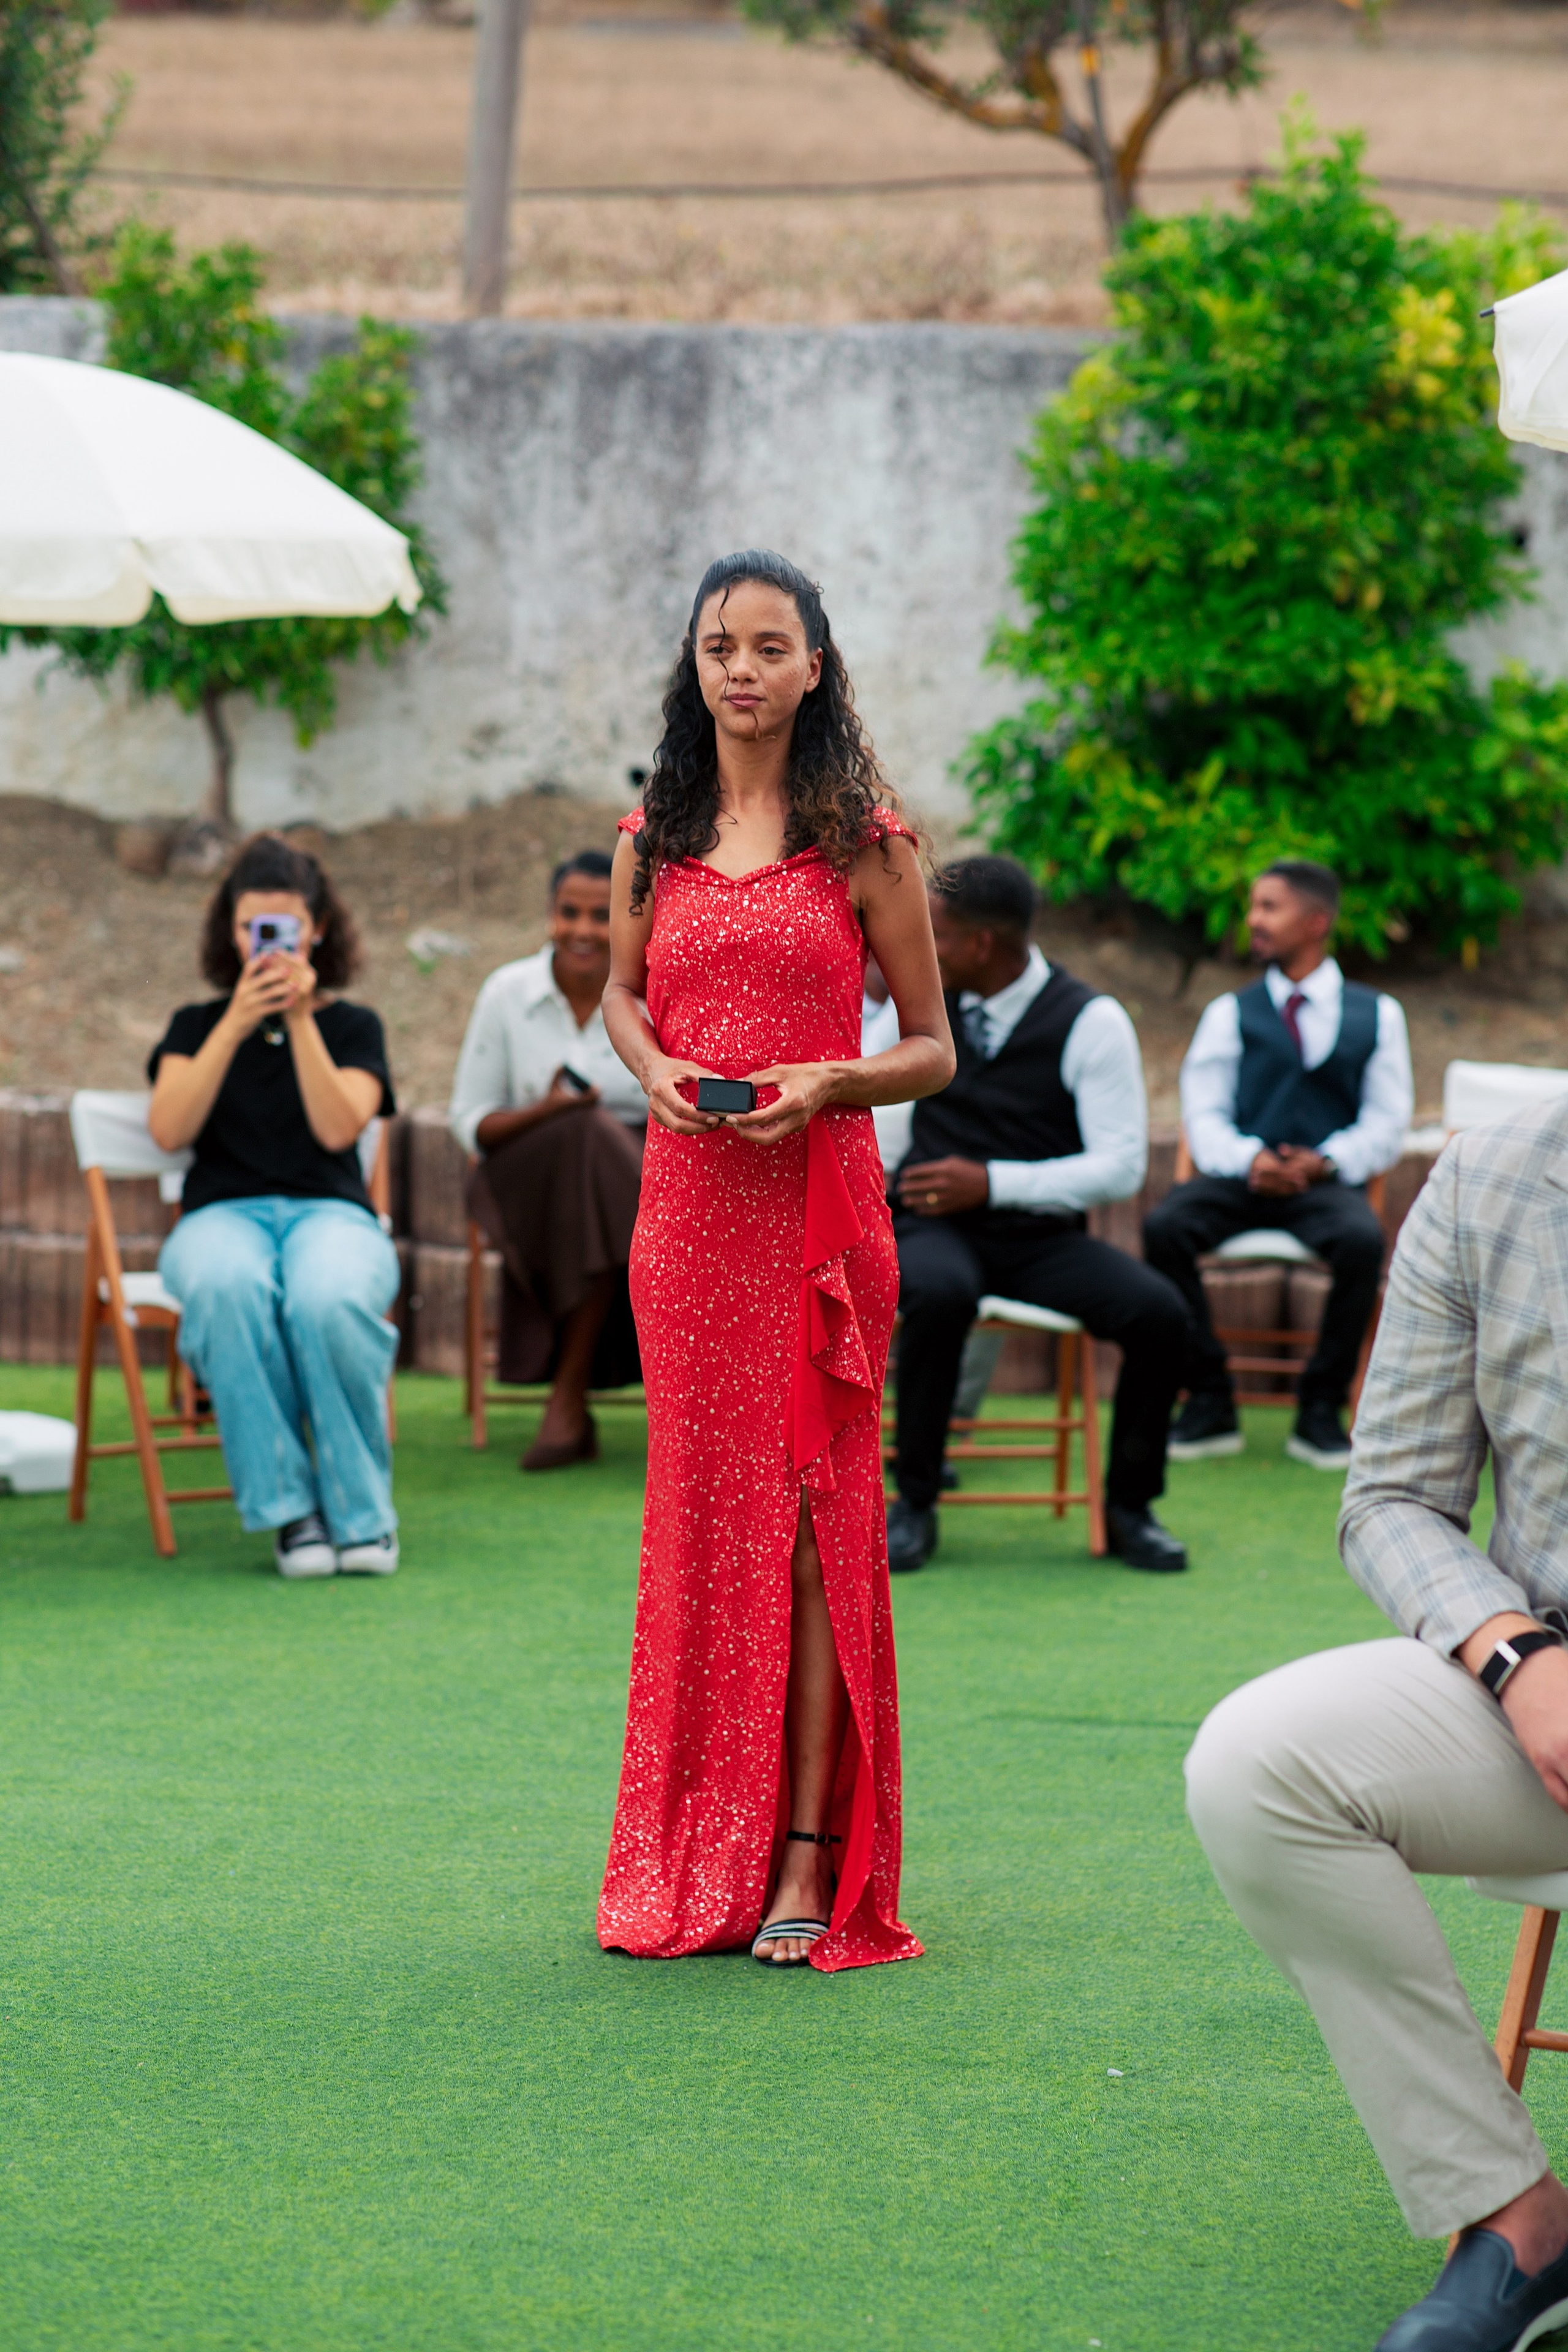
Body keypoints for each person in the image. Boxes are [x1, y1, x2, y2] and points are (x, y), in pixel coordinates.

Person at [597, 547, 954, 1971]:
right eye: (717, 648)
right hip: (685, 1217)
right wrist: (659, 1066)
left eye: (767, 645)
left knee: (810, 1529)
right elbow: (622, 996)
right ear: (693, 670)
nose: (740, 669)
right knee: (697, 1530)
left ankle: (808, 1849)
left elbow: (929, 1042)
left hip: (816, 1214)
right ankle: (693, 1847)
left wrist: (827, 1081)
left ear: (815, 665)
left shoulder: (868, 843)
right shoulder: (650, 834)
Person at [1186, 1098, 1568, 2352]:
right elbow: (1394, 1493)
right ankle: (1510, 2217)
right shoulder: (1494, 1172)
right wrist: (1513, 1656)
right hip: (1539, 1684)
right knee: (1260, 1763)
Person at [886, 854, 1192, 1578]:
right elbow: (883, 1126)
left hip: (1037, 1240)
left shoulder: (1091, 1020)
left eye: (937, 933)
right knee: (937, 1291)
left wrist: (991, 1184)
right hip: (933, 1227)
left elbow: (1118, 1165)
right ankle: (915, 1502)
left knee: (1159, 1313)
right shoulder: (919, 1002)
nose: (922, 947)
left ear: (981, 944)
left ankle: (1129, 1509)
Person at [149, 834, 399, 1578]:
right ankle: (292, 1512)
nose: (266, 945)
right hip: (221, 1215)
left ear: (316, 929)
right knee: (228, 1289)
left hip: (329, 1213)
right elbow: (168, 1130)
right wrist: (235, 1022)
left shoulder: (353, 1027)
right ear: (229, 931)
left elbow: (336, 1127)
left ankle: (360, 1516)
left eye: (283, 929)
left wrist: (296, 1020)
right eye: (250, 928)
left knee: (327, 1298)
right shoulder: (194, 1027)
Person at [1145, 859, 1412, 1472]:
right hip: (1240, 1180)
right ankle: (1209, 1396)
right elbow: (1204, 1113)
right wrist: (1249, 1160)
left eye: (1269, 908)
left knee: (1362, 1242)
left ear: (1315, 921)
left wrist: (1325, 1161)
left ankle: (1320, 1409)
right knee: (1165, 1229)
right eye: (1253, 907)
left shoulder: (1379, 1015)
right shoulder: (1227, 1012)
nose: (1253, 920)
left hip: (1322, 1185)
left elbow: (1385, 1120)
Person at [448, 849, 647, 1470]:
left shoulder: (654, 990)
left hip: (617, 1182)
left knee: (596, 1155)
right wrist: (550, 1110)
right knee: (584, 1132)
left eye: (600, 914)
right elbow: (471, 1124)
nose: (584, 930)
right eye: (569, 913)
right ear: (549, 916)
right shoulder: (508, 993)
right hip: (526, 1177)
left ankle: (568, 1395)